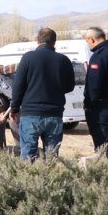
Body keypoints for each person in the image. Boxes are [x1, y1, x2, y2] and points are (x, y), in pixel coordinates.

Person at [9, 28, 75, 161]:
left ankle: (28, 181)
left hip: (31, 114)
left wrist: (14, 108)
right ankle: (48, 181)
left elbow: (18, 86)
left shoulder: (28, 58)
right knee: (51, 157)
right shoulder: (64, 60)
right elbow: (69, 86)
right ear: (54, 42)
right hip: (54, 114)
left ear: (37, 40)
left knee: (28, 155)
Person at [83, 27, 108, 156]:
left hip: (101, 109)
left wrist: (88, 104)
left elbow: (93, 85)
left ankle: (106, 174)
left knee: (103, 146)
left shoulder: (99, 56)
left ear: (92, 39)